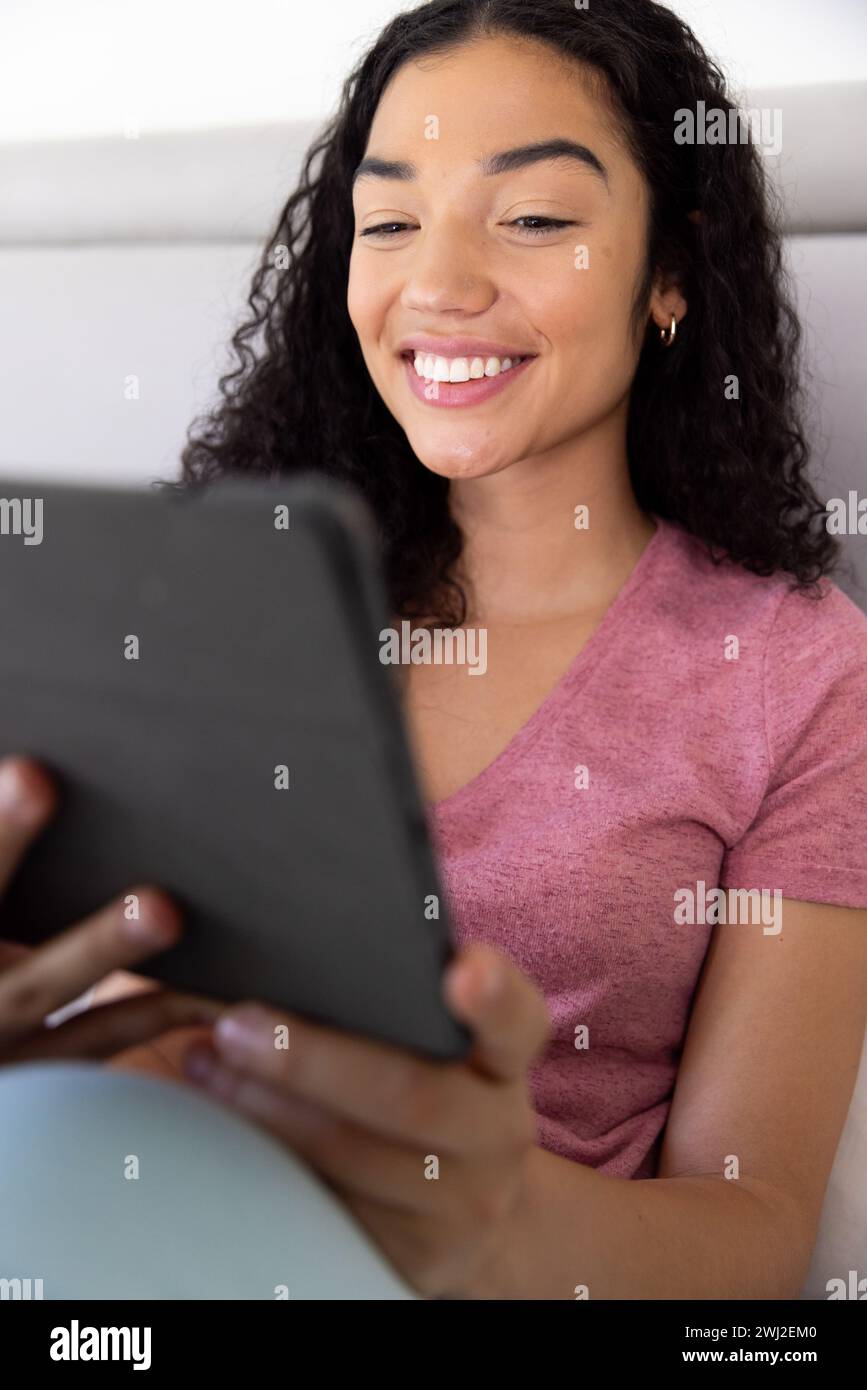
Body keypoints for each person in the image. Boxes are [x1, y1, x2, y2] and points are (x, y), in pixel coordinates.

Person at [2, 0, 866, 1299]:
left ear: (674, 270)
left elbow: (753, 1232)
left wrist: (497, 1229)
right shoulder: (217, 591)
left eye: (532, 219)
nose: (440, 286)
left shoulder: (798, 672)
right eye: (391, 220)